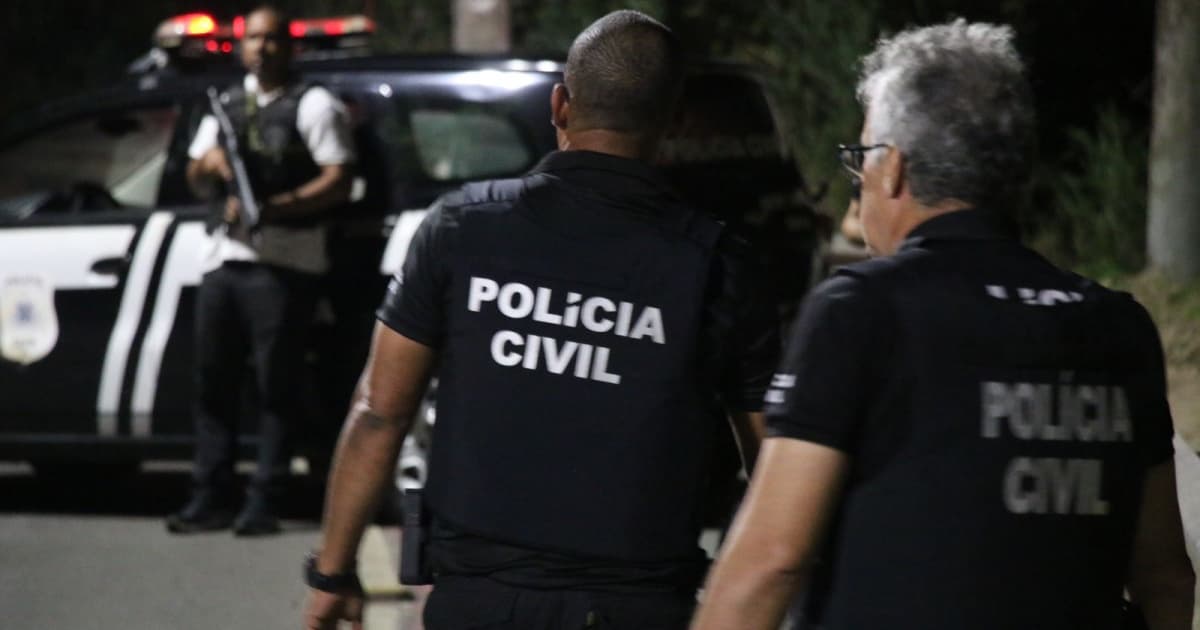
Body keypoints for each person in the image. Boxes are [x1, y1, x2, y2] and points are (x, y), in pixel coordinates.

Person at [692, 19, 1195, 630]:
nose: (858, 189)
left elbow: (769, 562)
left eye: (860, 162)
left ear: (894, 169)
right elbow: (1165, 576)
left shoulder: (861, 312)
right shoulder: (1119, 328)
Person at [302, 10, 778, 630]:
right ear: (677, 121)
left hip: (479, 601)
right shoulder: (720, 266)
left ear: (560, 106)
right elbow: (771, 463)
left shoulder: (461, 228)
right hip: (637, 607)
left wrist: (334, 573)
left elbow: (380, 410)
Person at [166, 5, 355, 536]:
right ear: (241, 45)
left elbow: (339, 179)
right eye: (254, 39)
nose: (263, 48)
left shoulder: (314, 104)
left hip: (285, 264)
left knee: (277, 387)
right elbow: (195, 173)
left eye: (273, 39)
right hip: (225, 261)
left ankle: (264, 499)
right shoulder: (226, 104)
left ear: (289, 46)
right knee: (213, 383)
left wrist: (277, 207)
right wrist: (215, 167)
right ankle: (210, 494)